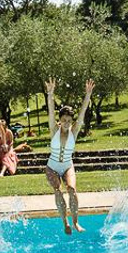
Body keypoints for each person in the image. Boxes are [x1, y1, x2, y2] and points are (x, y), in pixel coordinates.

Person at [44, 78, 94, 234]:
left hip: (67, 166)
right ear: (60, 120)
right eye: (63, 120)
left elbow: (83, 112)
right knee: (58, 191)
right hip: (52, 167)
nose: (66, 122)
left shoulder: (74, 131)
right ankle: (64, 222)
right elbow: (51, 112)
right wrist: (50, 93)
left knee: (72, 189)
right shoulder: (54, 130)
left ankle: (75, 222)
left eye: (69, 120)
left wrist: (87, 95)